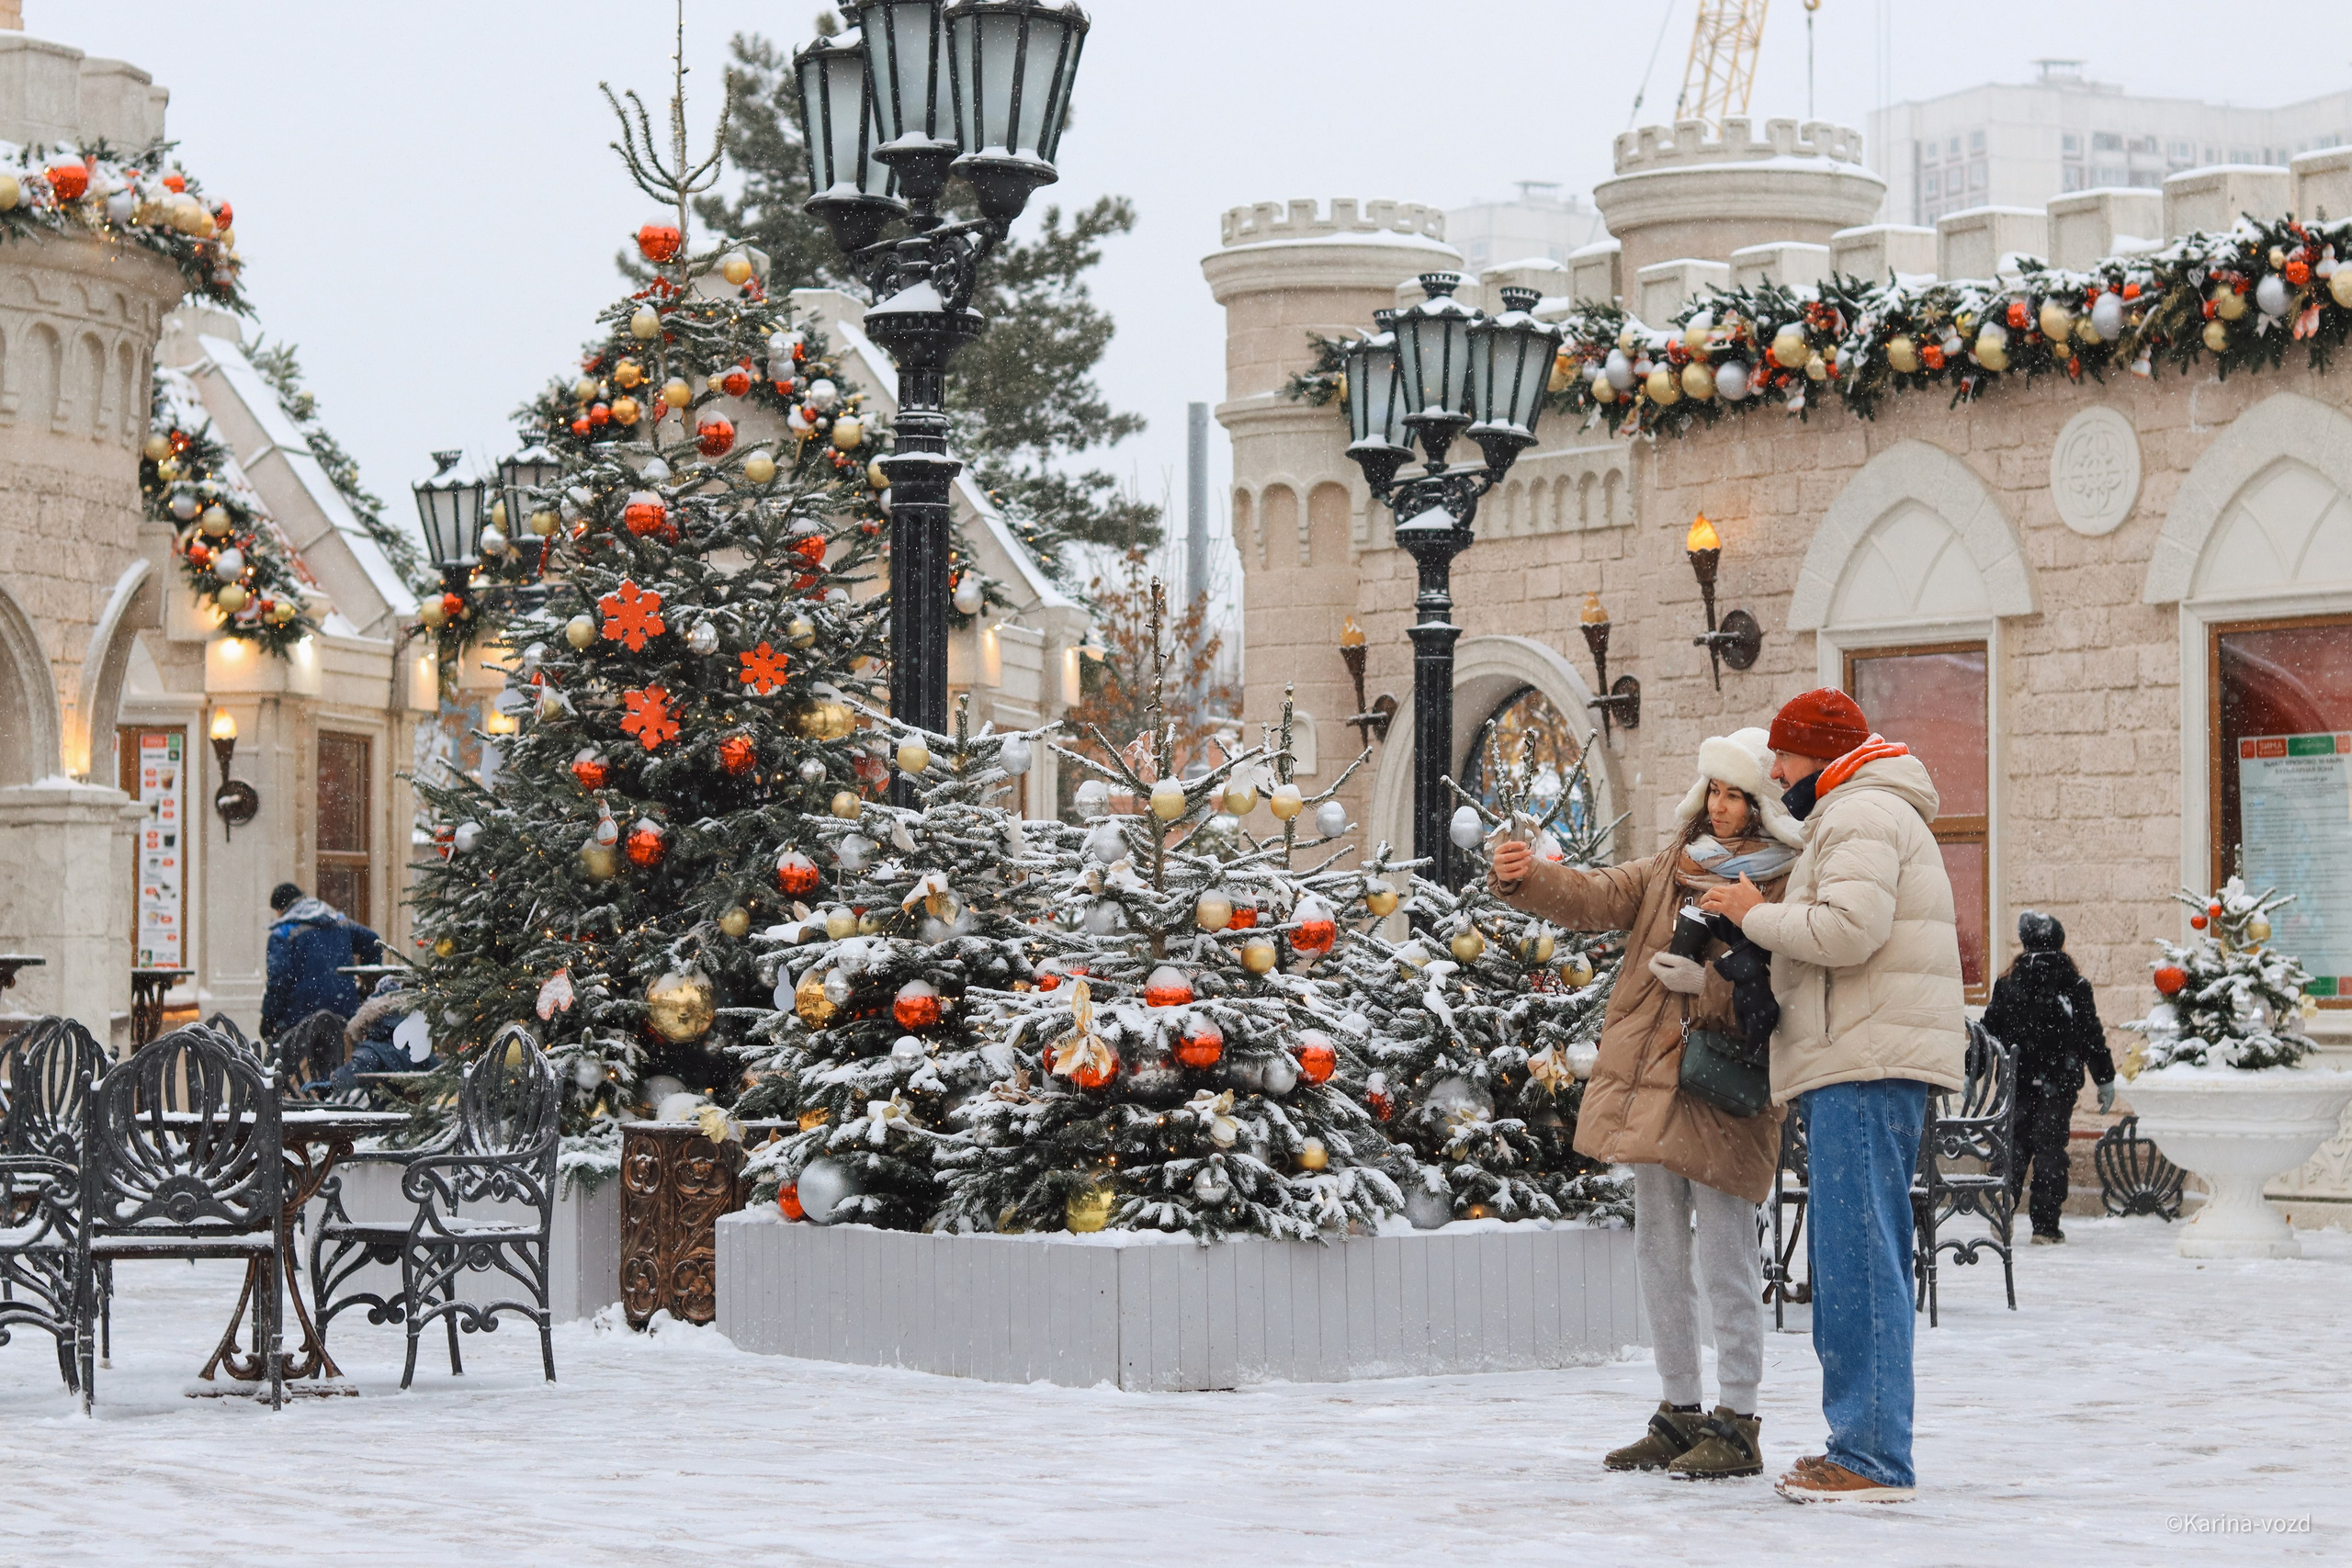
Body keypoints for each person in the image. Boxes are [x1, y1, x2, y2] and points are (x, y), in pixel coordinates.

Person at [1490, 729, 1803, 1482]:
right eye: (1715, 791)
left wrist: (1713, 985)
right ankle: (1679, 1410)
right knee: (1659, 1250)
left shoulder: (1787, 880)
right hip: (1654, 1084)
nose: (1721, 807)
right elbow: (1597, 894)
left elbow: (1791, 984)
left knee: (1727, 1257)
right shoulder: (1673, 865)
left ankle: (1738, 1419)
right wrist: (1528, 877)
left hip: (1727, 1090)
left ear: (1761, 804)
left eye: (1737, 796)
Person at [1697, 688, 1966, 1506]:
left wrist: (1756, 914)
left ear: (1819, 753)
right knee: (1857, 1253)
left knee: (1858, 1258)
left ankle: (1871, 1456)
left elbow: (1849, 931)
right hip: (1861, 1054)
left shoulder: (1860, 814)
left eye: (1783, 755)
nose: (1776, 773)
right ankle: (1863, 1443)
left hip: (1864, 1059)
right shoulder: (1861, 810)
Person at [1981, 910, 2117, 1245]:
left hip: (2016, 1082)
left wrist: (1974, 1069)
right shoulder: (2074, 986)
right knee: (2050, 1150)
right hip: (2058, 1083)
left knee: (2012, 1145)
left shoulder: (2008, 984)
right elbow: (2091, 1035)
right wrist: (2104, 1079)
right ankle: (2045, 1227)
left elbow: (1988, 1032)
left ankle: (2002, 1200)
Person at [260, 882, 381, 1043]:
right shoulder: (338, 922)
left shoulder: (283, 933)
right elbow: (373, 942)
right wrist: (366, 985)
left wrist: (269, 1017)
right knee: (342, 1056)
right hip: (343, 1012)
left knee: (291, 1058)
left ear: (282, 909)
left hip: (299, 1018)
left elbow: (279, 980)